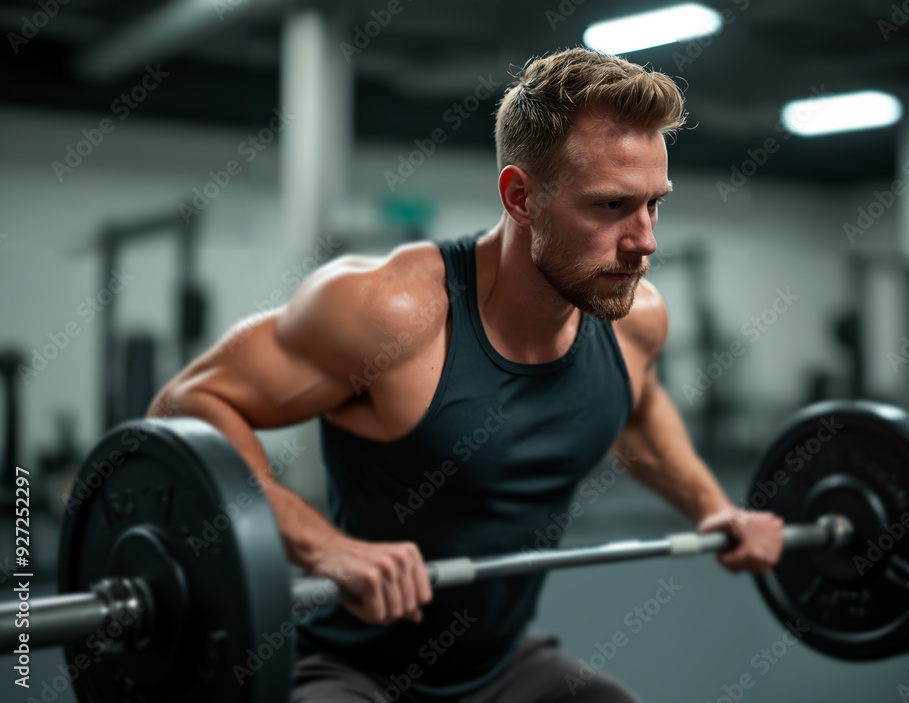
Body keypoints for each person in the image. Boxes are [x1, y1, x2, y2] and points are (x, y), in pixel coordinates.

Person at [149, 47, 784, 702]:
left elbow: (638, 408)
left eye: (655, 204)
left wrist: (714, 507)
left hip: (503, 668)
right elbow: (187, 404)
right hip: (346, 669)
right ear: (520, 197)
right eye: (612, 206)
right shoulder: (390, 313)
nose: (645, 239)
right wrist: (322, 547)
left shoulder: (633, 319)